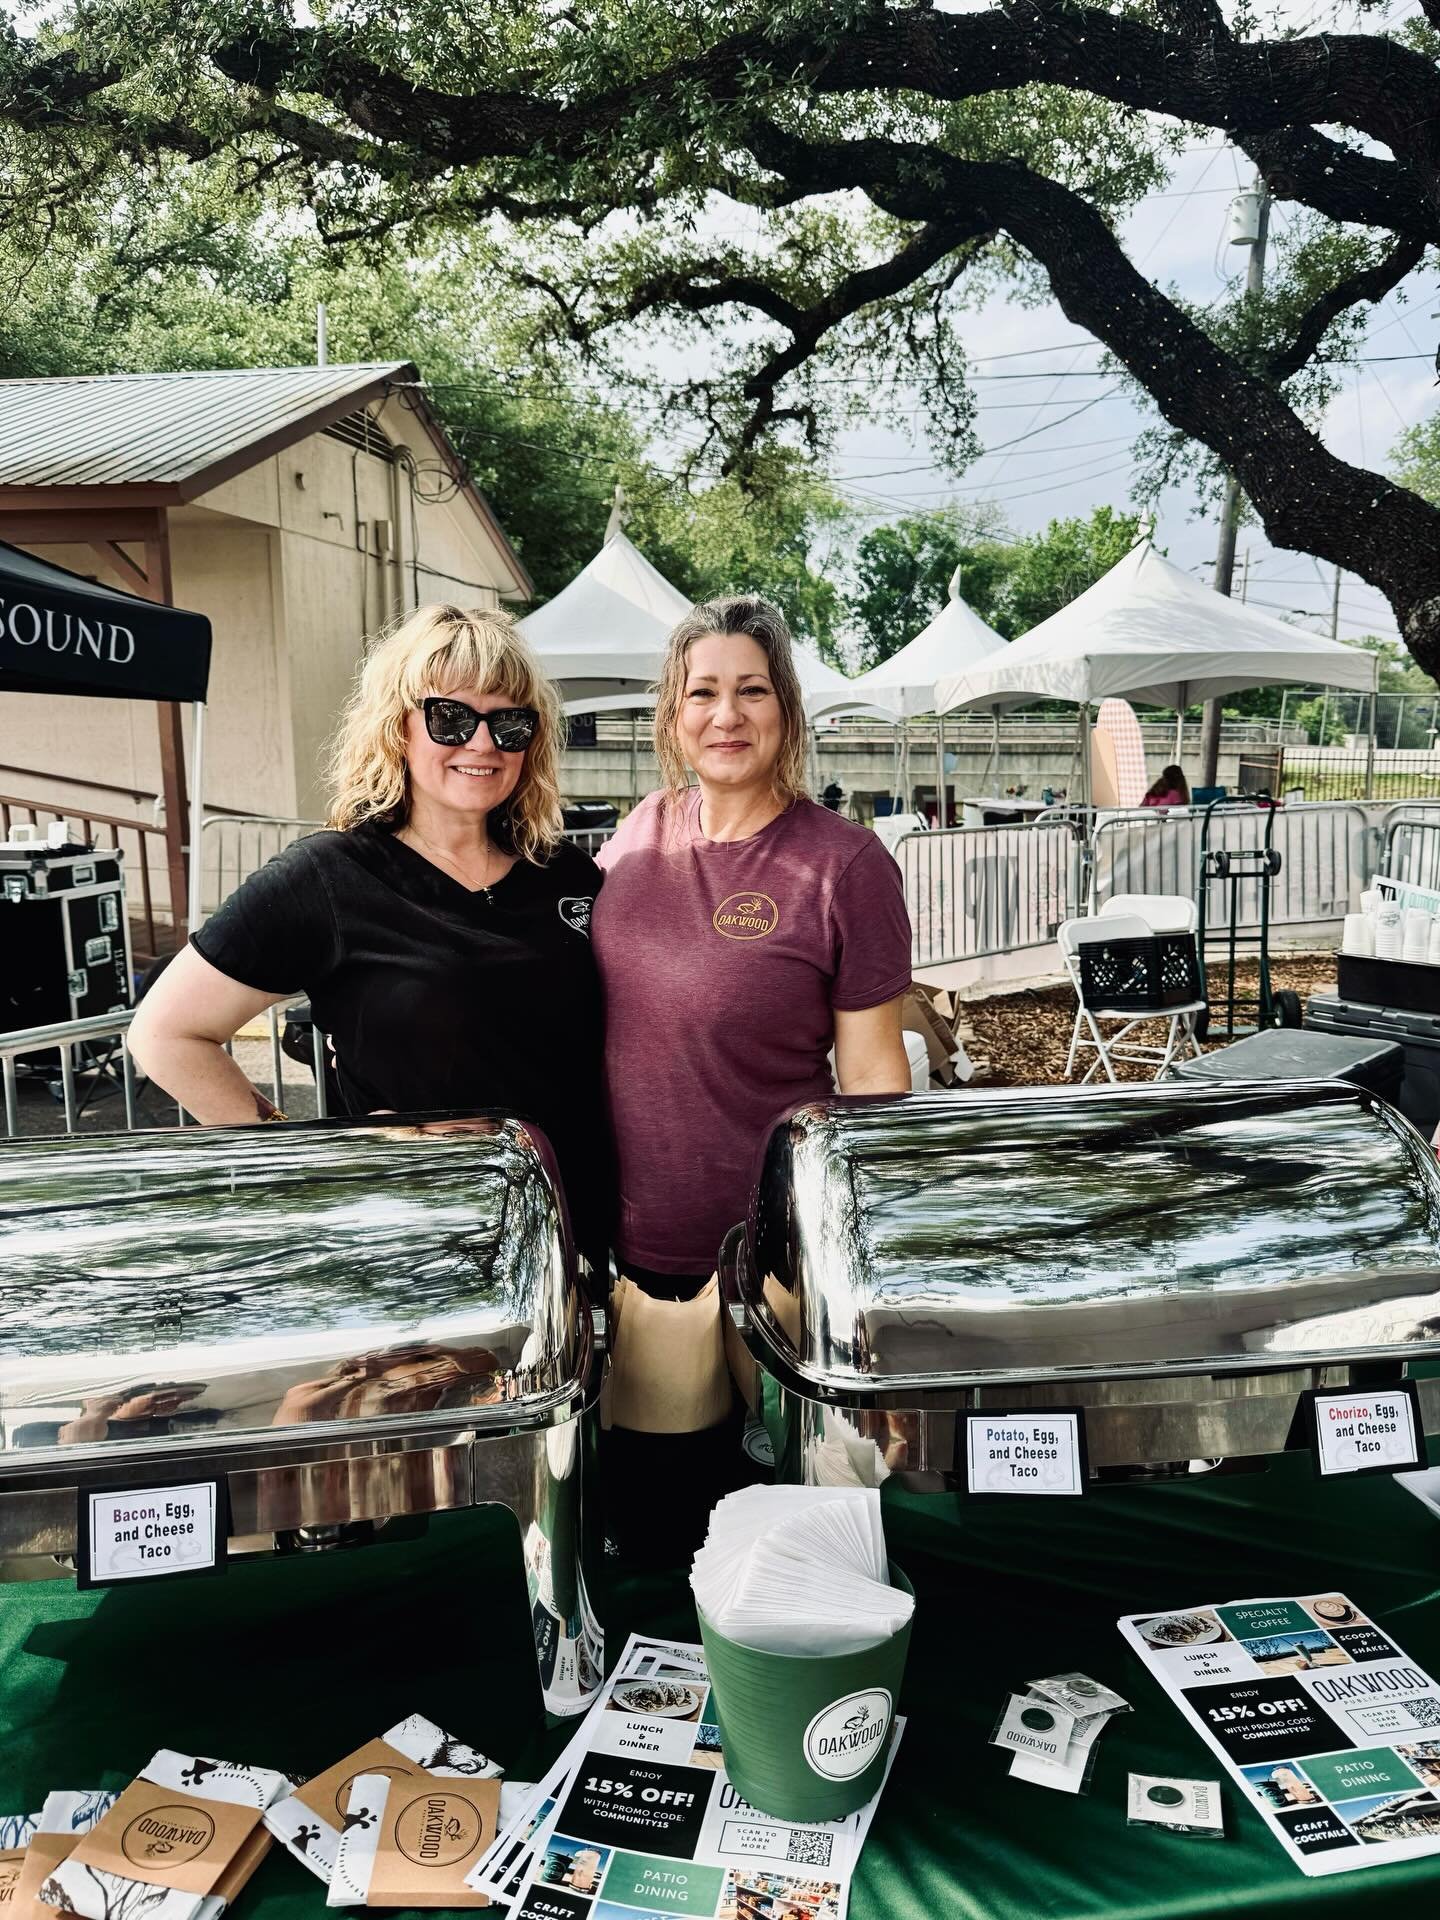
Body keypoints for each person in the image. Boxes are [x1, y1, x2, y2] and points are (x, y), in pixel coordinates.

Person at [128, 604, 610, 1262]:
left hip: (575, 1242)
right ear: (399, 727)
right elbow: (165, 1034)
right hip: (424, 1252)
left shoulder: (568, 875)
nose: (482, 743)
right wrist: (312, 1162)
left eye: (510, 722)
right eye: (451, 717)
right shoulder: (331, 877)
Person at [590, 594, 912, 1552]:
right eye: (702, 693)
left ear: (787, 711)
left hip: (780, 1265)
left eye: (751, 691)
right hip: (645, 1263)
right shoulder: (636, 835)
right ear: (672, 714)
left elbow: (873, 1073)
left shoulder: (841, 865)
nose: (725, 716)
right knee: (661, 1533)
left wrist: (856, 1264)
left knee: (807, 1532)